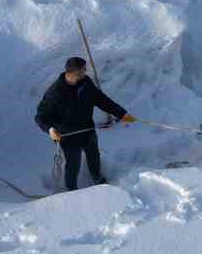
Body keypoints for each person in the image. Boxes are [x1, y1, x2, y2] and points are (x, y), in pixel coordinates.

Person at [35, 57, 134, 190]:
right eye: (83, 70)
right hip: (67, 136)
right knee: (73, 164)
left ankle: (97, 178)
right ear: (73, 73)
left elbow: (101, 100)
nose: (85, 72)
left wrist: (122, 114)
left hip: (87, 130)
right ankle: (72, 190)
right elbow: (40, 116)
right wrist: (50, 130)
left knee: (94, 156)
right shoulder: (55, 92)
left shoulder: (85, 83)